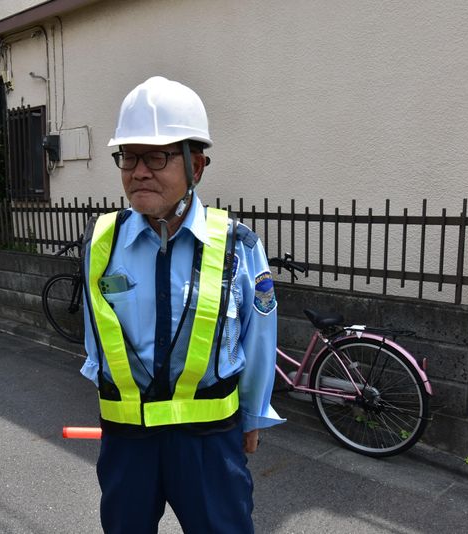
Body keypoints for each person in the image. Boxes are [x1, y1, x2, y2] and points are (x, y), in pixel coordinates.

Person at [80, 75, 283, 534]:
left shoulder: (236, 245)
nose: (138, 171)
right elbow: (96, 339)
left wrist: (252, 417)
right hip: (127, 442)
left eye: (156, 157)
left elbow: (258, 339)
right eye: (128, 156)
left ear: (198, 166)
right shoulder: (101, 242)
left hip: (210, 444)